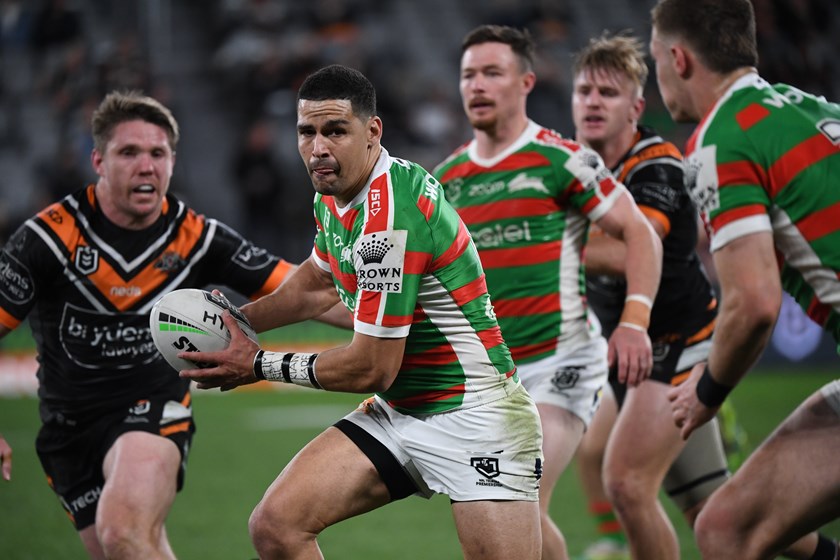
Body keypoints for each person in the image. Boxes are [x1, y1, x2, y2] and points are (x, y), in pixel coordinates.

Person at [179, 64, 545, 560]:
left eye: (335, 131)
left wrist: (258, 364)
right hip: (401, 412)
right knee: (277, 527)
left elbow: (371, 366)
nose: (318, 148)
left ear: (373, 132)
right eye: (306, 132)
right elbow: (314, 284)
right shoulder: (334, 192)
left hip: (476, 415)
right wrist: (237, 324)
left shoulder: (390, 217)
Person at [0, 90, 306, 559]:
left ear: (173, 161)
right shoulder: (46, 239)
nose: (147, 165)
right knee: (130, 547)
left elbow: (307, 290)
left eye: (158, 153)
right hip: (67, 430)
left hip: (153, 407)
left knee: (122, 531)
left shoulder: (197, 236)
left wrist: (398, 315)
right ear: (98, 160)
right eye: (129, 152)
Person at [432, 25, 663, 560]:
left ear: (526, 83)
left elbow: (640, 233)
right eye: (469, 75)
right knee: (502, 523)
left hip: (562, 364)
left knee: (519, 502)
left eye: (493, 73)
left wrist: (633, 321)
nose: (478, 85)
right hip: (492, 378)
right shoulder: (446, 181)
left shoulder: (563, 159)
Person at [650, 0, 840, 558]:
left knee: (725, 529)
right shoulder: (813, 110)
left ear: (679, 59)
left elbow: (754, 302)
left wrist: (708, 393)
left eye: (656, 60)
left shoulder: (720, 140)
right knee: (730, 525)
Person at [571, 32, 759, 560]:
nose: (591, 101)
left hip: (680, 343)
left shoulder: (658, 165)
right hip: (632, 353)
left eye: (607, 94)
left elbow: (639, 244)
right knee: (715, 513)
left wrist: (547, 238)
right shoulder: (578, 168)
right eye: (584, 90)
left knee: (627, 483)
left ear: (636, 107)